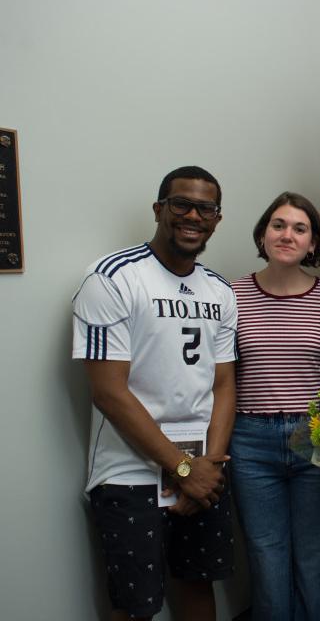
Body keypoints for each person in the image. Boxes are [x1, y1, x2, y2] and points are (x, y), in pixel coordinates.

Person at [72, 166, 236, 621]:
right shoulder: (111, 278)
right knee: (136, 601)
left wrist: (209, 469)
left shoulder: (220, 290)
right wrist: (181, 468)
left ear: (217, 219)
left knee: (198, 581)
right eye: (181, 203)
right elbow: (109, 393)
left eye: (206, 208)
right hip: (130, 471)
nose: (192, 216)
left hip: (202, 468)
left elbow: (224, 384)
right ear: (159, 208)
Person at [230, 192, 320, 620]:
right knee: (265, 551)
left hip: (313, 436)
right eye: (278, 225)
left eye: (300, 228)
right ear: (263, 234)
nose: (287, 235)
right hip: (250, 440)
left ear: (313, 243)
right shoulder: (231, 295)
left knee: (317, 553)